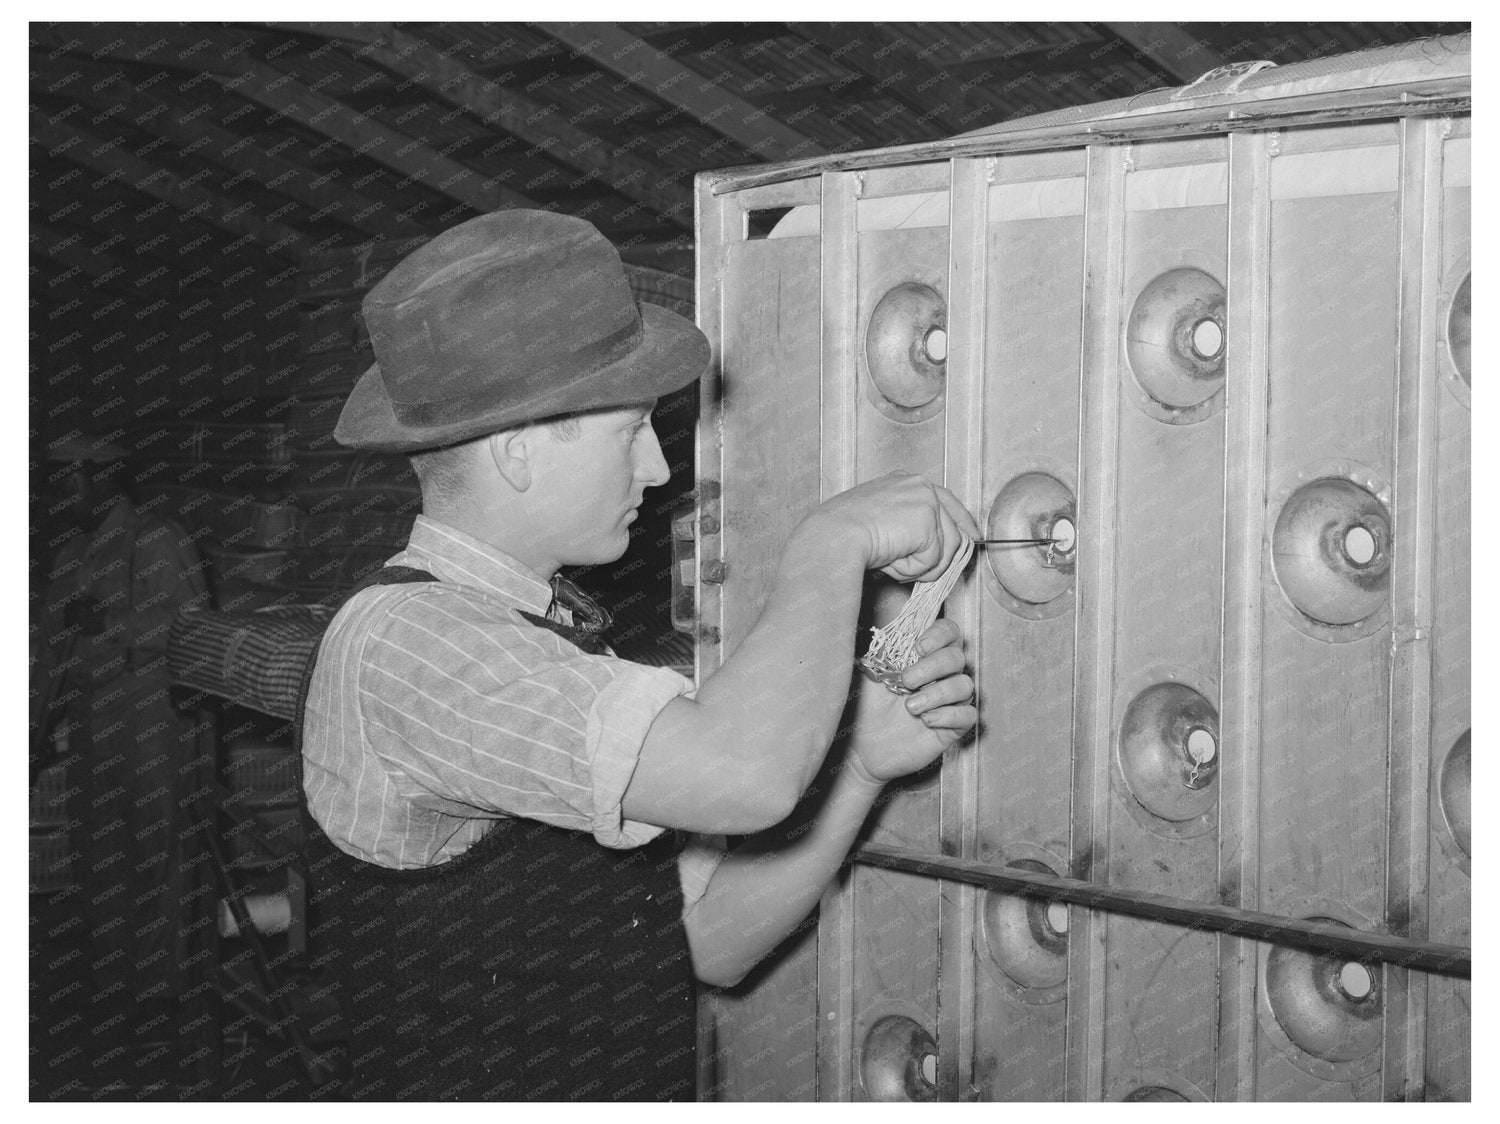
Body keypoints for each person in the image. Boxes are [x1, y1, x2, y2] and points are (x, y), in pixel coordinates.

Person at [301, 209, 979, 1101]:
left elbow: (707, 943)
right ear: (517, 450)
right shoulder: (415, 648)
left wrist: (856, 766)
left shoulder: (543, 639)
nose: (658, 472)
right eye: (631, 433)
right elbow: (748, 776)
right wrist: (831, 541)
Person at [31, 437, 213, 1002]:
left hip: (149, 716)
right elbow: (48, 657)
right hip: (92, 720)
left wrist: (108, 620)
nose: (61, 500)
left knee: (156, 851)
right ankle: (117, 983)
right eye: (55, 487)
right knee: (99, 849)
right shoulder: (68, 558)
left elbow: (197, 637)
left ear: (103, 475)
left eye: (68, 484)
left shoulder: (156, 540)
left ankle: (160, 995)